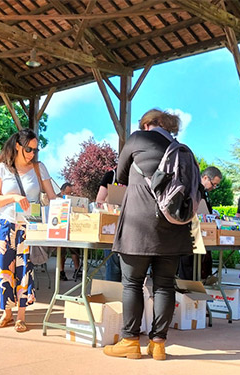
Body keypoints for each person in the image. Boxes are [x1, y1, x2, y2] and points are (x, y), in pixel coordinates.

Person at [103, 109, 196, 360]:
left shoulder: (136, 139)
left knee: (132, 283)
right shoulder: (181, 151)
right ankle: (158, 344)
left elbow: (120, 177)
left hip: (138, 226)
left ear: (147, 124)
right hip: (174, 227)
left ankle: (130, 341)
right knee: (165, 285)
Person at [0, 129, 56, 332]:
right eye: (28, 149)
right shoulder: (1, 169)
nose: (32, 153)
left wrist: (70, 209)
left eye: (35, 150)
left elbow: (52, 196)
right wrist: (14, 197)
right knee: (4, 268)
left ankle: (21, 316)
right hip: (6, 224)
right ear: (18, 146)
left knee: (25, 268)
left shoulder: (38, 168)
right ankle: (6, 313)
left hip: (30, 225)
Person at [178, 166, 222, 280]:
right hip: (188, 233)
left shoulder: (204, 191)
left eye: (216, 185)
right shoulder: (194, 188)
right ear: (205, 178)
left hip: (200, 232)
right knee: (188, 268)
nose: (214, 187)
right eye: (213, 184)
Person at [96, 169, 122, 282]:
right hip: (113, 229)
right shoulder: (112, 175)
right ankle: (113, 297)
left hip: (135, 229)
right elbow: (99, 201)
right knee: (113, 270)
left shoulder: (141, 175)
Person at [58, 183, 80, 281]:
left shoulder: (73, 200)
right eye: (67, 193)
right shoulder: (56, 199)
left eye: (71, 193)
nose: (69, 195)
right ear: (62, 191)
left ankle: (77, 270)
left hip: (72, 227)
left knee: (75, 249)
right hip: (60, 227)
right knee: (61, 251)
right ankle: (61, 271)